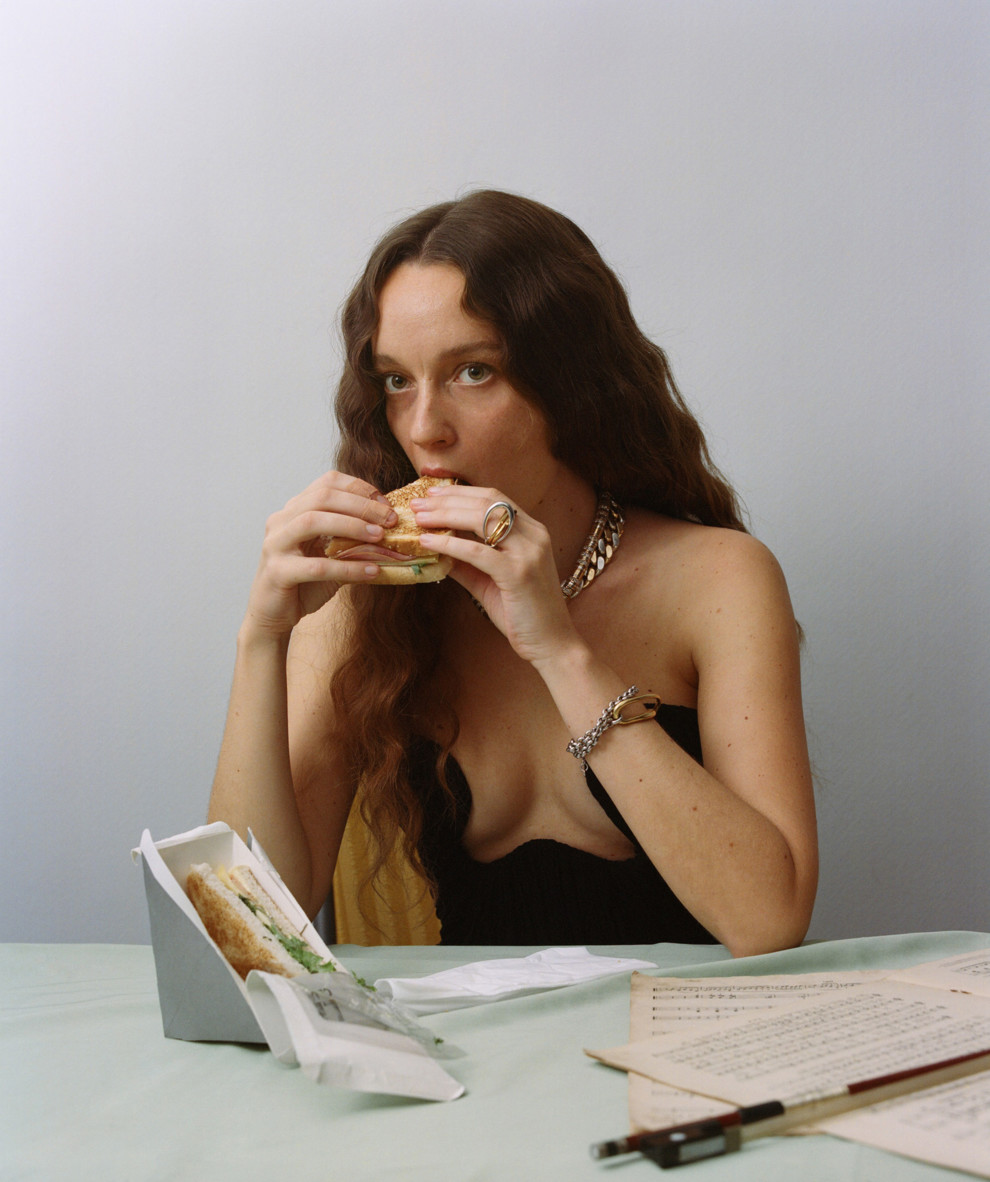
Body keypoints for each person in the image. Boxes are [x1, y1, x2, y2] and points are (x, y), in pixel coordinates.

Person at [208, 189, 818, 955]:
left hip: (687, 1026)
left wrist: (559, 651)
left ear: (571, 381)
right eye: (397, 380)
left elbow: (769, 922)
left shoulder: (718, 580)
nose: (424, 429)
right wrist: (262, 638)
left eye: (472, 372)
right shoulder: (363, 608)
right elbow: (251, 929)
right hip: (474, 1030)